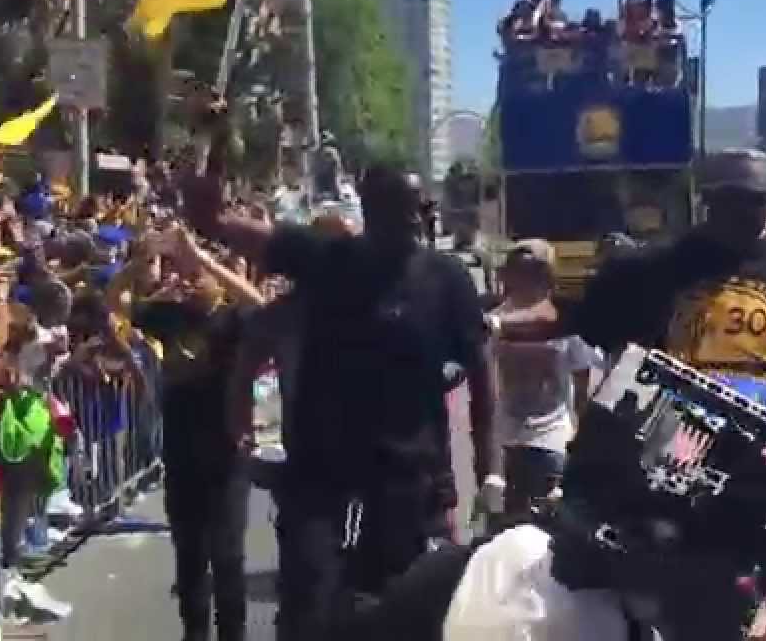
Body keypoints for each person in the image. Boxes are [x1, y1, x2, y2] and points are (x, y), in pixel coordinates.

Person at [183, 99, 499, 641]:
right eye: (397, 207)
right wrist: (211, 140)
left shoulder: (446, 281)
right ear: (369, 212)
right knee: (310, 613)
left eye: (417, 207)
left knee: (400, 617)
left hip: (406, 483)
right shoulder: (326, 260)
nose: (411, 219)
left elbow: (482, 375)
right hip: (320, 479)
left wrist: (491, 473)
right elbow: (208, 220)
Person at [571, 148, 766, 641]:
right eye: (730, 202)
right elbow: (596, 334)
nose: (743, 214)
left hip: (759, 484)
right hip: (659, 479)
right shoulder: (647, 272)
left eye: (754, 202)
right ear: (706, 201)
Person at [132, 226, 264, 641]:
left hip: (227, 456)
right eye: (183, 274)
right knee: (189, 559)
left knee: (227, 558)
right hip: (181, 453)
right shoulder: (171, 316)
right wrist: (141, 264)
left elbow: (258, 303)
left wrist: (205, 259)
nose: (188, 281)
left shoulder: (233, 320)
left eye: (195, 275)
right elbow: (116, 303)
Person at [487, 240, 598, 522]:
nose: (527, 278)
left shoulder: (564, 323)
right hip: (507, 439)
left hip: (551, 438)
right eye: (520, 270)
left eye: (536, 270)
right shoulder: (495, 321)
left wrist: (582, 444)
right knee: (505, 526)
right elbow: (484, 387)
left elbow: (583, 387)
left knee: (548, 523)